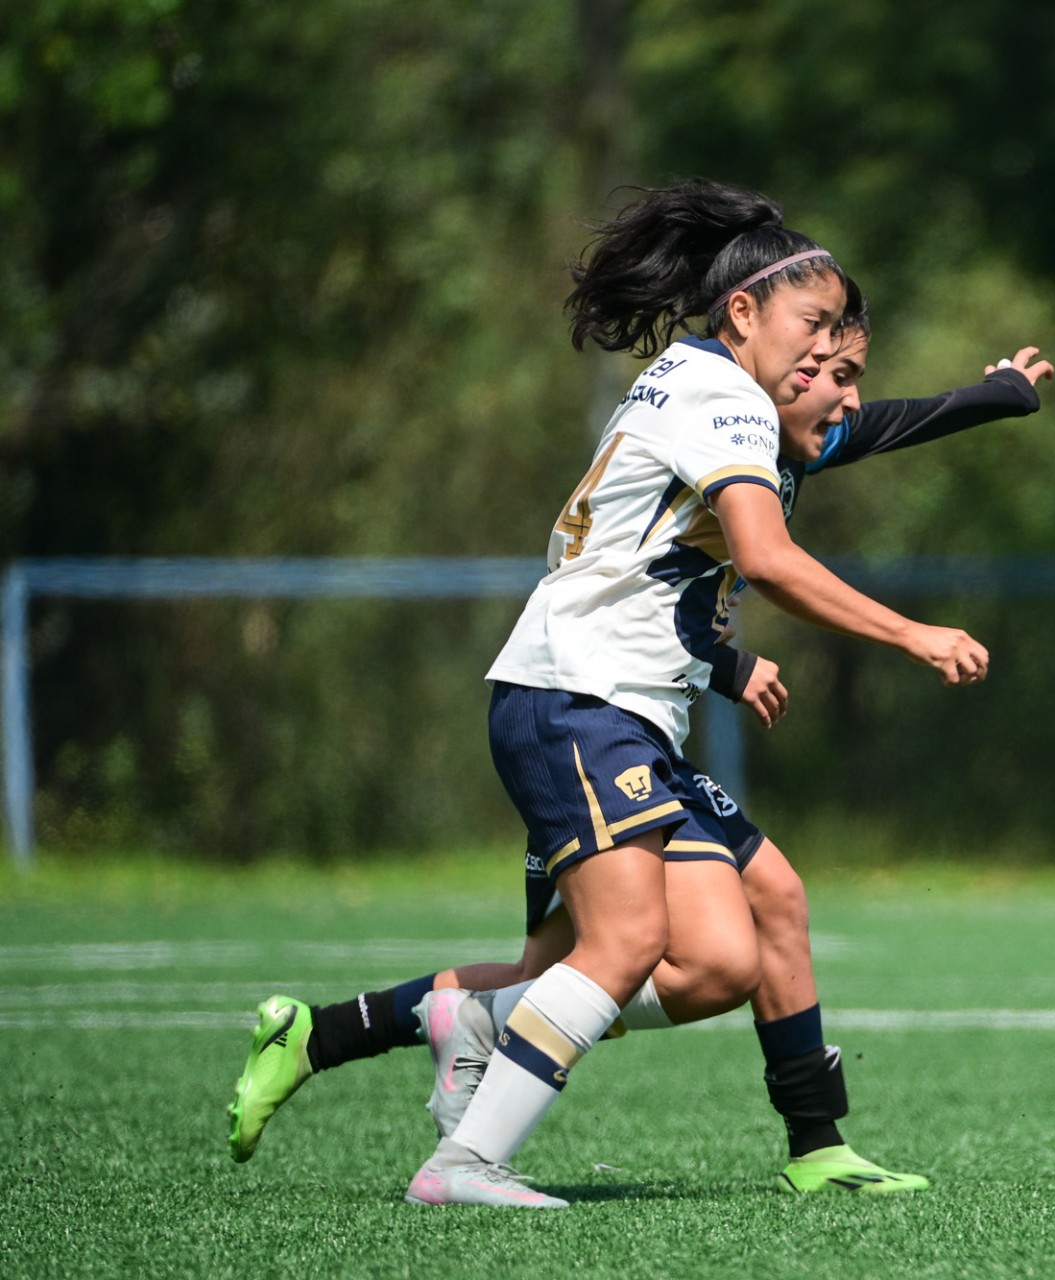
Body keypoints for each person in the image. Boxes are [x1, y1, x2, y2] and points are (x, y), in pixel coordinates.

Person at [228, 177, 997, 1210]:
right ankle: (461, 1163)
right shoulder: (727, 397)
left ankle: (807, 1142)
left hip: (618, 706)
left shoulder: (697, 378)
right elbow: (764, 559)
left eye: (839, 346)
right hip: (578, 700)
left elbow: (664, 551)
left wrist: (994, 397)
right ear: (744, 312)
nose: (828, 360)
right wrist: (913, 631)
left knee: (735, 939)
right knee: (625, 945)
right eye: (815, 331)